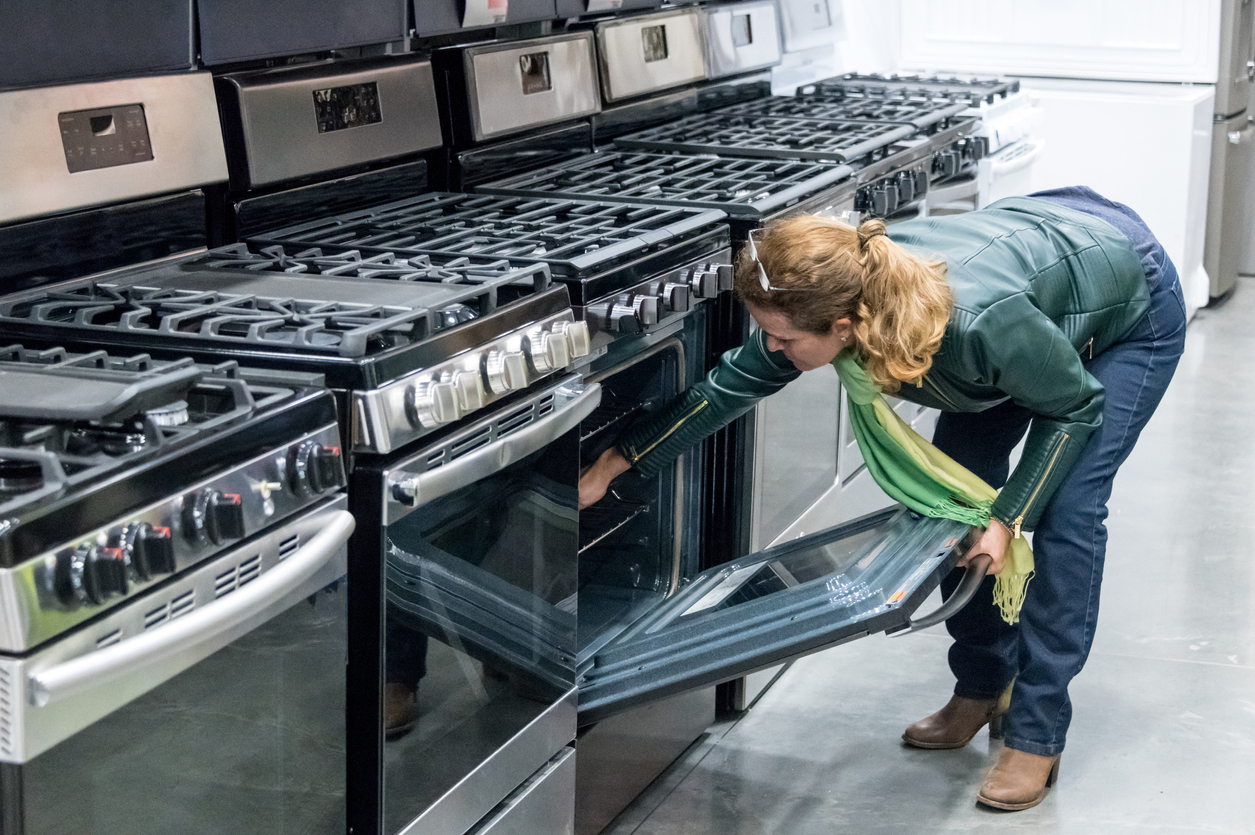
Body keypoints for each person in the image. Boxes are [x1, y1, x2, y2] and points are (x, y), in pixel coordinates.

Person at [578, 187, 1187, 811]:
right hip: (1034, 288)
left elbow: (1074, 407)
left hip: (1127, 305)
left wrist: (1011, 515)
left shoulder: (976, 324)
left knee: (1066, 512)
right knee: (955, 505)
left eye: (783, 340)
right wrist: (617, 461)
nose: (775, 350)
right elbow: (729, 385)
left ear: (842, 328)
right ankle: (980, 688)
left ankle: (1037, 734)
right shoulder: (842, 302)